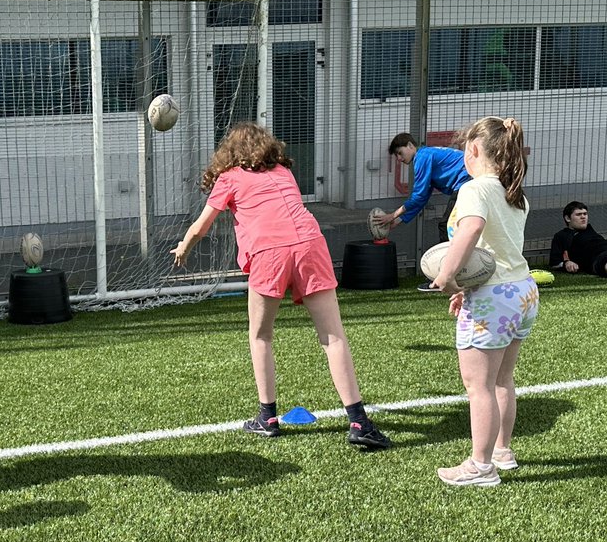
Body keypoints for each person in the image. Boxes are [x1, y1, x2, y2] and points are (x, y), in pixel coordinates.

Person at [171, 123, 390, 450]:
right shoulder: (282, 172)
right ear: (267, 147)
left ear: (228, 152)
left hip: (269, 252)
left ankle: (267, 418)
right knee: (333, 336)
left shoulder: (229, 177)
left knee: (260, 335)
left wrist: (184, 248)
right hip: (310, 244)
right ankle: (359, 421)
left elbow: (201, 226)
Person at [431, 116, 538, 487]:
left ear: (473, 150)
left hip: (495, 297)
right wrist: (464, 288)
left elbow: (472, 231)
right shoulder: (515, 193)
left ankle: (480, 466)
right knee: (502, 379)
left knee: (479, 386)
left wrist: (445, 276)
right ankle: (501, 452)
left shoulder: (475, 189)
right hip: (522, 291)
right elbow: (495, 249)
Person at [379, 133, 474, 291]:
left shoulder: (422, 157)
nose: (399, 159)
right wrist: (398, 221)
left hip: (466, 183)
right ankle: (455, 273)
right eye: (396, 156)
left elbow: (418, 196)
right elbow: (422, 198)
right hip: (469, 181)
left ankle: (446, 276)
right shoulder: (425, 155)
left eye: (400, 153)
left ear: (410, 146)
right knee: (455, 227)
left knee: (446, 226)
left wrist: (392, 215)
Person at [549, 201, 607, 277]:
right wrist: (566, 263)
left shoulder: (590, 230)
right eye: (578, 214)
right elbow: (554, 262)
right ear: (567, 218)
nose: (583, 217)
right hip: (597, 258)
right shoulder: (562, 235)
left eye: (585, 214)